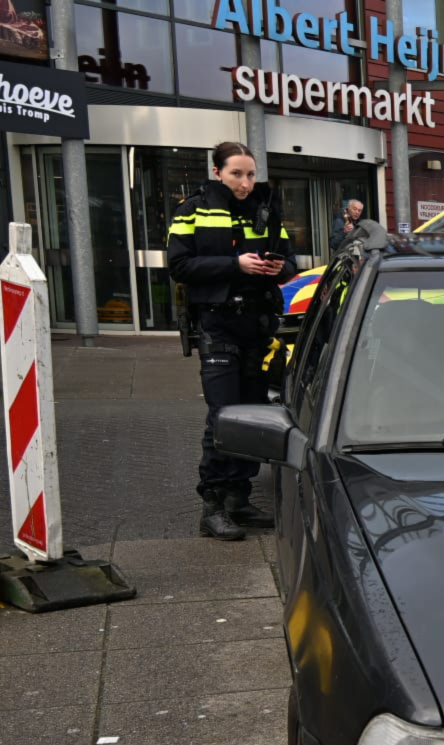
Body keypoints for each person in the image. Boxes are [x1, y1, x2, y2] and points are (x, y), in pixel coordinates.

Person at [168, 140, 297, 541]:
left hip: (257, 326)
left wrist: (279, 268)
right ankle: (213, 506)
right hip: (218, 324)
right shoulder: (193, 210)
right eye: (236, 174)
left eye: (250, 174)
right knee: (223, 415)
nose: (245, 182)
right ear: (217, 173)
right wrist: (234, 264)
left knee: (254, 413)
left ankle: (239, 499)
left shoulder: (266, 209)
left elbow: (291, 261)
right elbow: (178, 265)